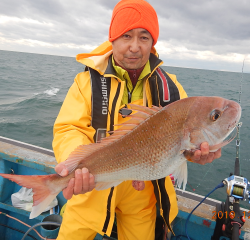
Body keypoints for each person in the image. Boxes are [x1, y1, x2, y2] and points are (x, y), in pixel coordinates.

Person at [53, 0, 221, 239]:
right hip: (91, 188)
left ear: (153, 43)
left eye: (144, 37)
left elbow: (187, 140)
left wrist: (197, 154)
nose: (134, 47)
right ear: (113, 39)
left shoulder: (172, 89)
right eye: (126, 36)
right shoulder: (86, 82)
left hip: (143, 194)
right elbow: (69, 128)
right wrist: (74, 165)